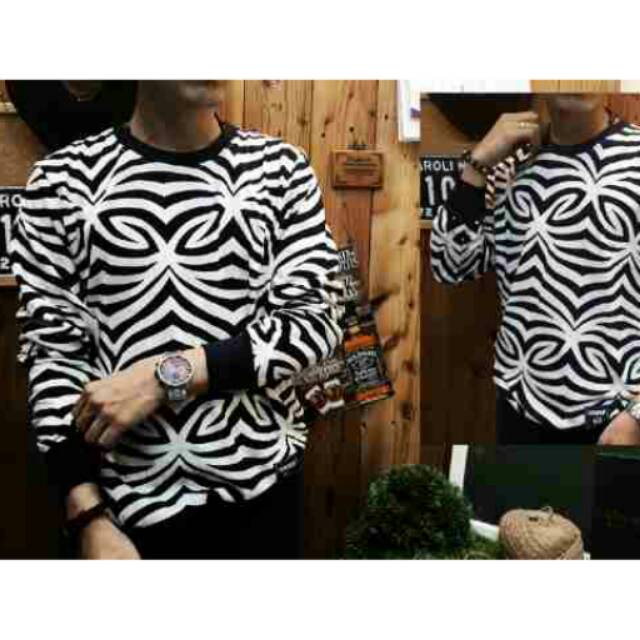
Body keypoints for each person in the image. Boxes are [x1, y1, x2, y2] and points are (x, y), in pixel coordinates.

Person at [11, 80, 343, 559]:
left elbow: (314, 322)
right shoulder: (60, 183)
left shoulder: (280, 170)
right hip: (120, 516)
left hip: (262, 498)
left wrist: (165, 376)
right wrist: (87, 518)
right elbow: (53, 358)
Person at [430, 94, 640, 445]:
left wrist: (636, 416)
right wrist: (476, 166)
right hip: (521, 407)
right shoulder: (505, 165)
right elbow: (450, 266)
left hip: (620, 416)